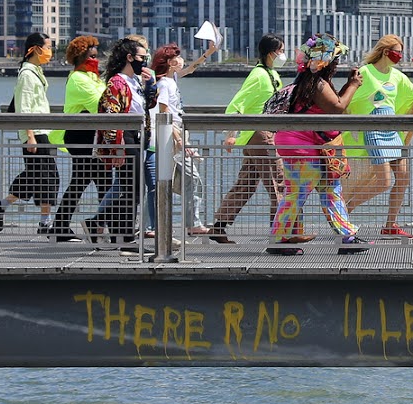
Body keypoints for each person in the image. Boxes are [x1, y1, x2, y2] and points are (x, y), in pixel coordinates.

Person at [340, 35, 413, 239]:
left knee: (403, 177)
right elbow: (345, 100)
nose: (400, 56)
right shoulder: (365, 73)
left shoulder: (397, 76)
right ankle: (346, 208)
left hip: (393, 131)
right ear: (385, 51)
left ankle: (391, 224)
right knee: (383, 181)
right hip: (373, 130)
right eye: (397, 51)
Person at [271, 34, 368, 256]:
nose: (336, 65)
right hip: (302, 146)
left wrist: (346, 85)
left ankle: (347, 237)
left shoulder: (308, 82)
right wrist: (353, 84)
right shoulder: (318, 83)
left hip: (310, 146)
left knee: (331, 190)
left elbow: (332, 104)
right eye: (335, 61)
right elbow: (337, 108)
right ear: (326, 62)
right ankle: (278, 239)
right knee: (297, 193)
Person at [208, 33, 289, 244]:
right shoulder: (259, 75)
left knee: (246, 184)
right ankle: (280, 233)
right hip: (260, 135)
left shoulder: (271, 74)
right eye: (280, 51)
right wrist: (230, 134)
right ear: (271, 53)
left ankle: (218, 227)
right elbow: (236, 104)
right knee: (279, 183)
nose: (283, 55)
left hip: (261, 134)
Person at [90, 38, 156, 252]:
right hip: (125, 137)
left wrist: (150, 86)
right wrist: (115, 146)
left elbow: (148, 105)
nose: (144, 60)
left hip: (138, 137)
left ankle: (116, 233)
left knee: (133, 189)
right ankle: (123, 237)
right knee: (130, 189)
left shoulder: (136, 81)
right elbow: (111, 116)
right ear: (129, 58)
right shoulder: (117, 82)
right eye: (141, 57)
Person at [0, 33, 59, 234]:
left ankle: (2, 206)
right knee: (45, 176)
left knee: (39, 177)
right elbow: (24, 107)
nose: (50, 52)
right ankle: (44, 222)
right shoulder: (27, 75)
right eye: (47, 47)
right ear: (36, 48)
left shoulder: (36, 71)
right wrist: (29, 134)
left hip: (41, 130)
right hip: (35, 132)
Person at [151, 41, 214, 237]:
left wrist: (209, 52)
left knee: (172, 181)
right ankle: (156, 226)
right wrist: (178, 137)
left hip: (175, 134)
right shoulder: (163, 84)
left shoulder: (172, 80)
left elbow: (190, 69)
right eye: (177, 57)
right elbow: (163, 111)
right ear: (169, 62)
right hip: (171, 135)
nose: (181, 59)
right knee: (181, 180)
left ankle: (158, 226)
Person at [51, 35, 107, 242]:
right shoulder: (77, 79)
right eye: (91, 56)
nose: (96, 59)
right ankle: (99, 226)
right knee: (99, 183)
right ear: (80, 57)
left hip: (91, 137)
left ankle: (63, 227)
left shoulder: (92, 77)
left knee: (87, 182)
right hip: (81, 137)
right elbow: (99, 105)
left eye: (96, 55)